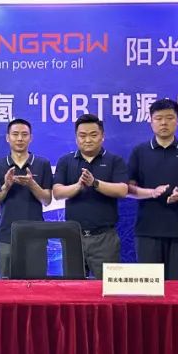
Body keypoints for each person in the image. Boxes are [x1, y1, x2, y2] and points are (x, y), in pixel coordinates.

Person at [127, 98, 178, 280]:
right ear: (150, 121)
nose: (164, 123)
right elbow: (128, 188)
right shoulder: (140, 151)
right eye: (158, 118)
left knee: (176, 286)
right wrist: (151, 192)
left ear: (177, 121)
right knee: (149, 287)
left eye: (170, 118)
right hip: (147, 230)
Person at [52, 114, 129, 278]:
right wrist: (78, 186)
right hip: (73, 237)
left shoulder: (114, 160)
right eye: (82, 135)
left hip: (104, 238)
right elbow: (57, 192)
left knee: (107, 288)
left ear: (102, 136)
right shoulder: (66, 161)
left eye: (93, 135)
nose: (87, 140)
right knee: (73, 289)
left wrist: (95, 183)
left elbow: (122, 190)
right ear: (76, 138)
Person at [0, 118, 52, 278]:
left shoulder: (42, 163)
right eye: (15, 134)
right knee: (6, 287)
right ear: (8, 137)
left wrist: (32, 184)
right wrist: (6, 186)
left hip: (36, 235)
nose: (20, 138)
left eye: (24, 134)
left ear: (31, 138)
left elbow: (47, 200)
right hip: (7, 235)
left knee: (37, 285)